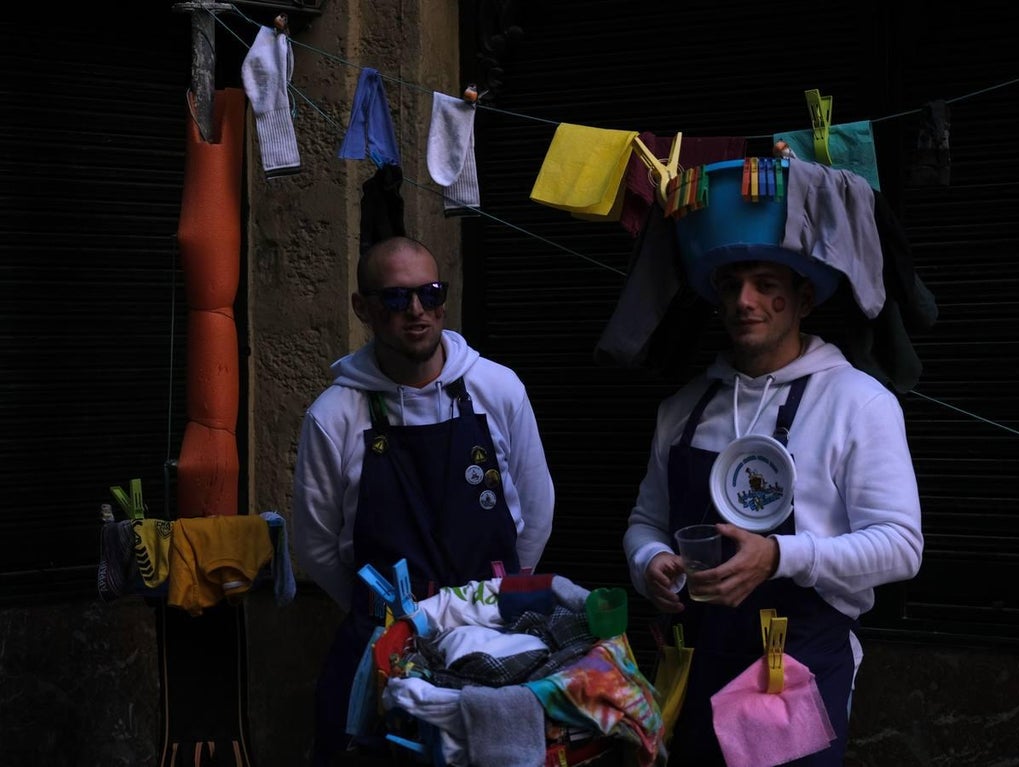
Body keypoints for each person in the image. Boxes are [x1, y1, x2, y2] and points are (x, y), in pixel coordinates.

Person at [623, 157, 924, 766]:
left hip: (795, 668)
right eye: (731, 286)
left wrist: (782, 556)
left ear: (803, 298)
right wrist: (648, 561)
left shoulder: (857, 402)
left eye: (766, 284)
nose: (745, 300)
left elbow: (901, 546)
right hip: (696, 660)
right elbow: (645, 522)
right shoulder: (683, 408)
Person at [292, 235, 556, 765]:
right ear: (361, 307)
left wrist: (484, 600)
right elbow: (316, 547)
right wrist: (381, 613)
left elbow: (536, 510)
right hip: (383, 644)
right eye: (395, 299)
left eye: (430, 294)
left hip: (490, 638)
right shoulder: (334, 415)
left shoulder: (497, 388)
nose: (416, 311)